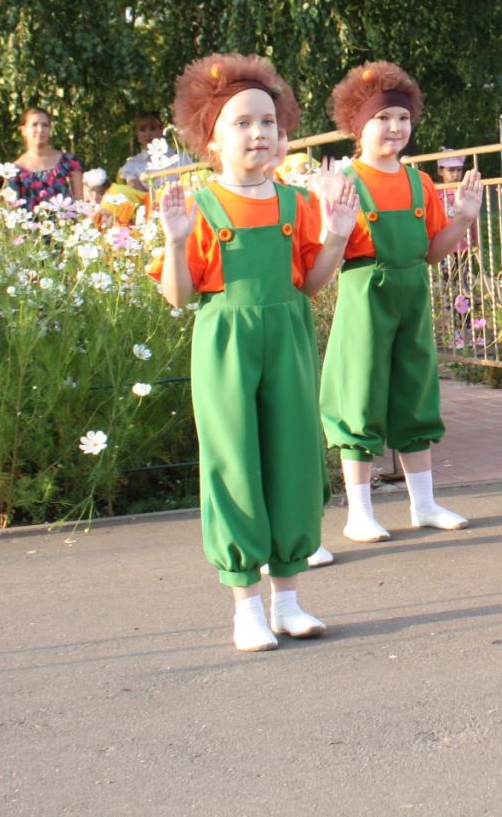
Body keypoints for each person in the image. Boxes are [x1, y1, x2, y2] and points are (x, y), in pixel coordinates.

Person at [151, 53, 357, 652]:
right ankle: (246, 607)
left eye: (267, 121)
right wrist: (174, 241)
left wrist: (338, 236)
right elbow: (178, 295)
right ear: (211, 139)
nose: (258, 133)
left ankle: (288, 600)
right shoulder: (202, 207)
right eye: (241, 122)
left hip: (288, 335)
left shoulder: (296, 203)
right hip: (225, 344)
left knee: (294, 459)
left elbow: (311, 285)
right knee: (235, 464)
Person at [321, 62, 484, 544]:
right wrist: (333, 221)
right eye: (382, 118)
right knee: (360, 393)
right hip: (364, 294)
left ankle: (424, 504)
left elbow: (433, 251)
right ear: (357, 125)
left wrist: (461, 220)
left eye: (402, 118)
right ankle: (359, 511)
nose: (394, 128)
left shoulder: (420, 183)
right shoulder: (345, 180)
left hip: (411, 291)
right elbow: (327, 255)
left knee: (415, 390)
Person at [5, 107, 84, 210]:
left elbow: (80, 203)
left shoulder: (69, 162)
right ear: (24, 130)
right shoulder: (14, 170)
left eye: (45, 125)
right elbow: (11, 210)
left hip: (65, 224)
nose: (40, 130)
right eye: (35, 125)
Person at [116, 112, 169, 191]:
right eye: (142, 130)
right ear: (137, 134)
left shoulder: (178, 157)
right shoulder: (132, 165)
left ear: (161, 131)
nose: (148, 133)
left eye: (152, 128)